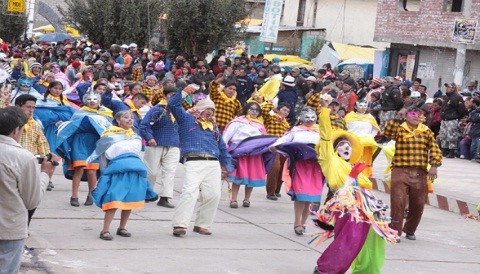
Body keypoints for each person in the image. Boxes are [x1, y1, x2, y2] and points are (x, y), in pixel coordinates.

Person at [313, 101, 398, 274]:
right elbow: (325, 137)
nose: (346, 147)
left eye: (348, 146)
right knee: (350, 239)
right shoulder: (330, 160)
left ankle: (365, 269)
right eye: (341, 145)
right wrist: (324, 112)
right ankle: (327, 268)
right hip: (346, 205)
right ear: (333, 150)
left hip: (366, 205)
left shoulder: (355, 167)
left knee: (370, 238)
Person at [168, 86, 234, 237]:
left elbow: (222, 147)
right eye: (206, 109)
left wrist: (227, 166)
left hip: (213, 162)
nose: (210, 112)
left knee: (213, 194)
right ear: (199, 109)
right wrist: (186, 91)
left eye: (212, 110)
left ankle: (202, 224)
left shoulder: (214, 127)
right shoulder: (187, 119)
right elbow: (173, 105)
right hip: (193, 160)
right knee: (189, 192)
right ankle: (180, 224)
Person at [87, 110, 158, 241]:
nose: (130, 120)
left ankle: (122, 227)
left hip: (135, 169)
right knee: (113, 199)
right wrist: (105, 171)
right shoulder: (109, 135)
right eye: (126, 117)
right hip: (118, 170)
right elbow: (104, 155)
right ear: (118, 120)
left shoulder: (135, 136)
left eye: (131, 118)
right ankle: (105, 230)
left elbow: (138, 153)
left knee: (130, 200)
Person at [0, 106, 55, 274]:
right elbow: (32, 200)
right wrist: (45, 173)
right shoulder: (23, 157)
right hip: (9, 227)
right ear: (17, 130)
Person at [384, 106, 442, 241]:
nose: (416, 117)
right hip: (400, 170)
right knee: (398, 202)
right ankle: (394, 232)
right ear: (406, 115)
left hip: (420, 173)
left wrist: (434, 165)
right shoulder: (399, 128)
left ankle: (410, 229)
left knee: (418, 203)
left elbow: (435, 149)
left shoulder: (426, 131)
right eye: (412, 114)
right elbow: (387, 132)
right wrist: (397, 118)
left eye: (419, 115)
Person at [270, 107, 323, 236]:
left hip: (316, 168)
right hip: (300, 166)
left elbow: (330, 145)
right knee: (301, 195)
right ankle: (297, 222)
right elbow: (284, 140)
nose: (310, 120)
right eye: (307, 117)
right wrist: (275, 146)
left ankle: (303, 223)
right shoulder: (295, 131)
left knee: (310, 196)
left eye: (312, 117)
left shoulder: (321, 132)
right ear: (301, 118)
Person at [56, 91, 113, 207]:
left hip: (95, 143)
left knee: (92, 171)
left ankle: (91, 195)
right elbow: (71, 127)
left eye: (95, 99)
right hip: (80, 141)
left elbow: (109, 130)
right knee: (80, 168)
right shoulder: (79, 113)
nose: (92, 101)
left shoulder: (105, 114)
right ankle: (74, 196)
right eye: (89, 99)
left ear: (99, 101)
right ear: (85, 101)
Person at [222, 101, 274, 208]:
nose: (254, 112)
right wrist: (224, 151)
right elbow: (226, 137)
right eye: (252, 109)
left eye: (257, 110)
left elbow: (263, 140)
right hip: (240, 153)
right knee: (237, 177)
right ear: (246, 110)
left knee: (251, 177)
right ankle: (234, 199)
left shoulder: (260, 125)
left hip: (254, 155)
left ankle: (247, 199)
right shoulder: (237, 122)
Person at [140, 86, 180, 208]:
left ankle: (165, 198)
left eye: (176, 96)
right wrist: (149, 137)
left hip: (174, 144)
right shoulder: (157, 109)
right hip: (155, 144)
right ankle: (146, 194)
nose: (173, 98)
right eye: (171, 95)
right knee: (151, 172)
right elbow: (144, 125)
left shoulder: (179, 111)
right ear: (164, 96)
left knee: (169, 172)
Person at [344, 100, 381, 177]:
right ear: (355, 107)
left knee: (364, 161)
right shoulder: (349, 116)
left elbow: (375, 129)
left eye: (365, 106)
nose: (363, 108)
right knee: (353, 160)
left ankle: (365, 176)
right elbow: (345, 128)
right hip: (353, 142)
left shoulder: (370, 117)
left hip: (366, 143)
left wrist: (371, 136)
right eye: (360, 105)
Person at [438, 83, 468, 158]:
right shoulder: (447, 97)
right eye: (446, 87)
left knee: (451, 136)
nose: (447, 88)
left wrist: (458, 117)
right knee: (443, 135)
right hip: (444, 119)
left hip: (452, 119)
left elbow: (461, 109)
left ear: (453, 88)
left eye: (449, 87)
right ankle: (443, 151)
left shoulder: (457, 97)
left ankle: (451, 153)